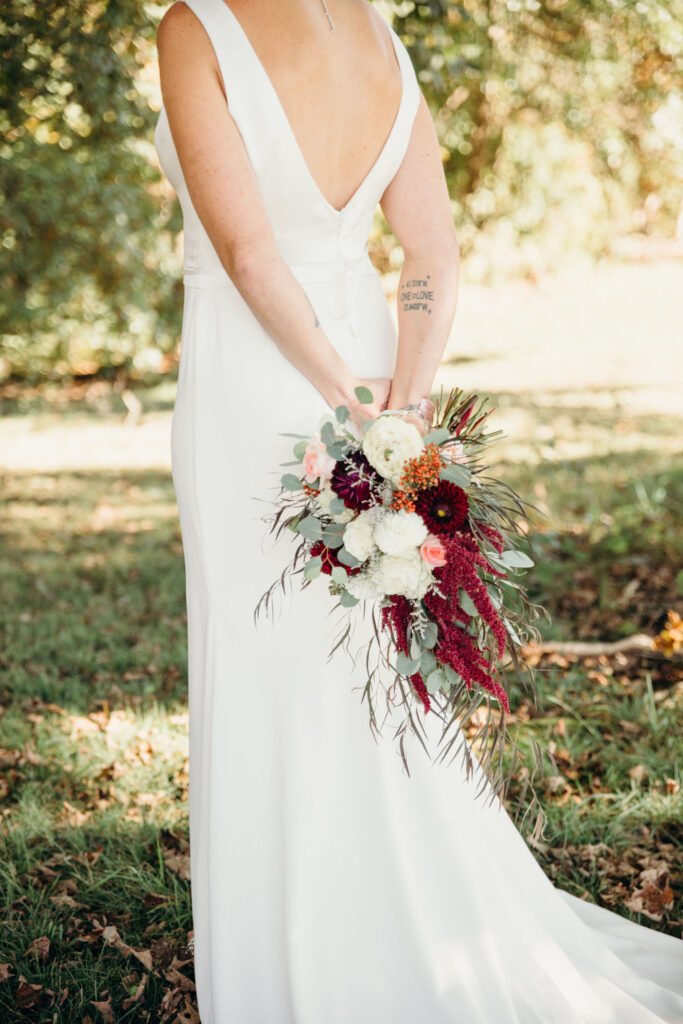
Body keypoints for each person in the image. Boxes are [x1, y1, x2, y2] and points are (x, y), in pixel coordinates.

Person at [154, 1, 683, 1020]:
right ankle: (402, 921)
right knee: (364, 669)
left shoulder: (193, 25)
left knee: (272, 666)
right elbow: (430, 257)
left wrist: (348, 409)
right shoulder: (379, 35)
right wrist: (397, 407)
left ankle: (305, 954)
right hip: (363, 359)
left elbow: (250, 257)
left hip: (254, 380)